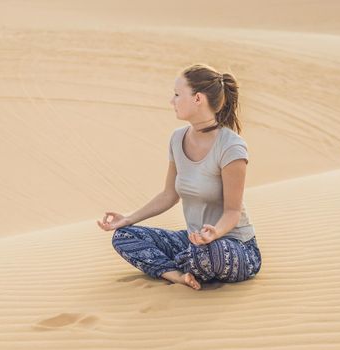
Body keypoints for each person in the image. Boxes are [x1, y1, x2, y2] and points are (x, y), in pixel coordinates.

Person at [97, 63, 262, 291]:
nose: (171, 101)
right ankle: (177, 275)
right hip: (194, 242)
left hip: (234, 247)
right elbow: (169, 194)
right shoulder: (177, 139)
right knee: (124, 236)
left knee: (208, 254)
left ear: (197, 99)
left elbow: (232, 212)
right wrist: (127, 219)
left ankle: (189, 262)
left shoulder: (231, 147)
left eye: (177, 94)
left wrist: (215, 233)